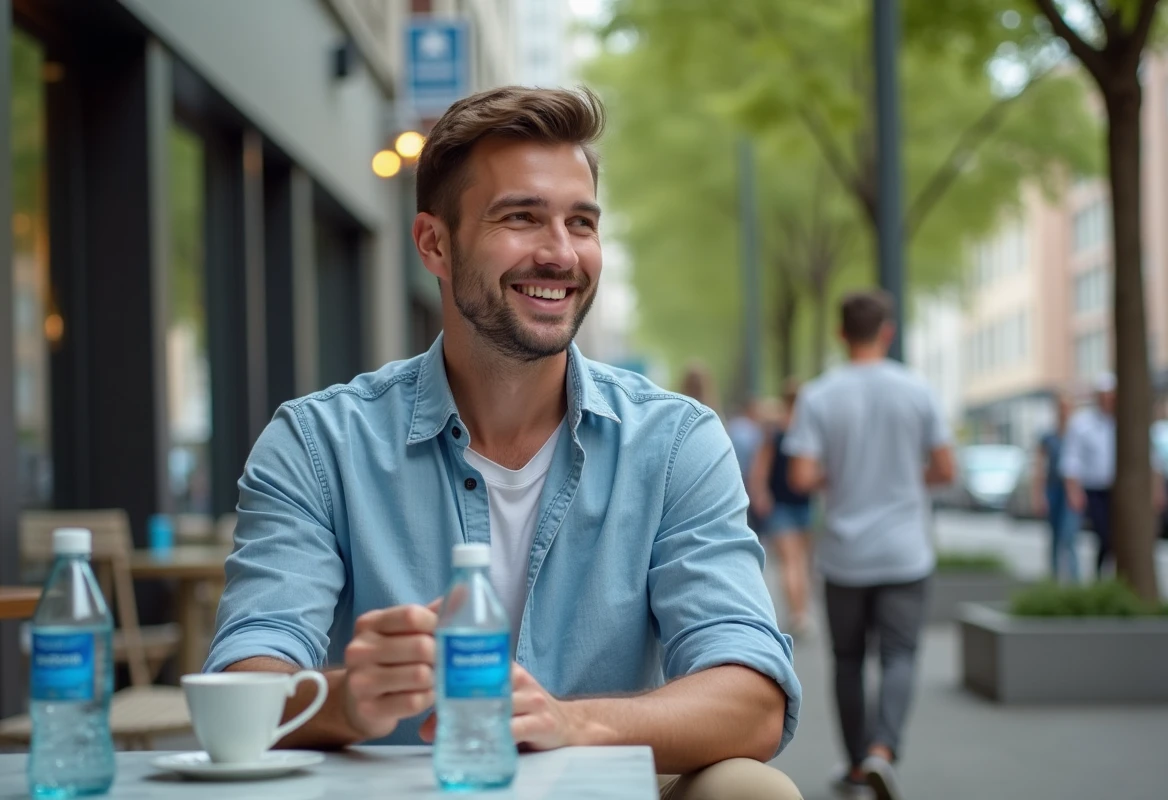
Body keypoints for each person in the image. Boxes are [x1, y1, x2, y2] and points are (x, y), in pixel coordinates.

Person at [204, 86, 802, 800]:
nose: (561, 254)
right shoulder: (317, 444)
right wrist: (346, 701)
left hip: (591, 793)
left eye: (581, 223)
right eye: (521, 218)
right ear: (434, 244)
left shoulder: (675, 443)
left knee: (750, 789)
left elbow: (753, 697)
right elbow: (244, 680)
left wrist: (573, 724)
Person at [783, 289, 956, 800]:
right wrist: (904, 478)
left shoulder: (819, 395)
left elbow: (801, 475)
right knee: (900, 655)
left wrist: (841, 477)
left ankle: (857, 766)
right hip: (905, 551)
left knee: (848, 660)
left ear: (841, 333)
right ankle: (884, 749)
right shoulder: (917, 390)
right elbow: (946, 469)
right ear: (887, 331)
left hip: (845, 554)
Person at [1059, 372, 1166, 578]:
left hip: (1124, 489)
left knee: (1124, 535)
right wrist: (1073, 491)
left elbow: (1152, 459)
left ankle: (1113, 577)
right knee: (1105, 535)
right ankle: (1103, 575)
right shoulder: (1082, 424)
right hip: (1096, 490)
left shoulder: (1131, 423)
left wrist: (1157, 490)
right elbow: (1071, 461)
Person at [749, 379, 813, 636]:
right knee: (799, 561)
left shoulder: (775, 432)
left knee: (790, 562)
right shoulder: (806, 431)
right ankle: (801, 612)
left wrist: (760, 494)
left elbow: (759, 469)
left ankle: (798, 613)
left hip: (781, 504)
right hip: (800, 503)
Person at [1031, 393, 1078, 583]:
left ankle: (1074, 581)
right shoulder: (1048, 437)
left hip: (1070, 491)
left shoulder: (1076, 435)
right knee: (1054, 536)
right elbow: (1039, 467)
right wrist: (1038, 494)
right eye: (1061, 408)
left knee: (1069, 536)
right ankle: (1054, 579)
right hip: (1054, 489)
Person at [728, 395, 768, 530]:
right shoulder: (753, 431)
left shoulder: (733, 426)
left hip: (734, 478)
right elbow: (757, 460)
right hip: (748, 478)